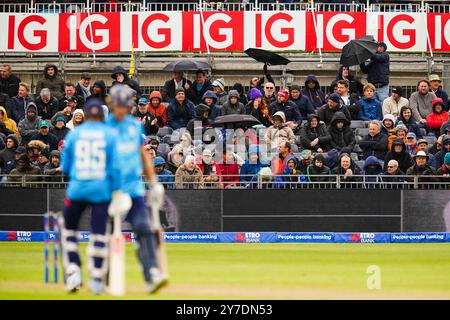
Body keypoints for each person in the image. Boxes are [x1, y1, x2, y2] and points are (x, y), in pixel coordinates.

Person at [106, 84, 168, 293]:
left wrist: (154, 183)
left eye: (126, 105)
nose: (124, 109)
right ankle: (103, 276)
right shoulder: (104, 129)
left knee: (143, 227)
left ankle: (151, 274)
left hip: (133, 188)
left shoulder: (133, 126)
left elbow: (142, 155)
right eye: (120, 105)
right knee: (104, 233)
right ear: (113, 105)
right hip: (109, 190)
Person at [59, 98, 122, 294]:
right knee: (99, 234)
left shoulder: (74, 135)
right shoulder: (110, 135)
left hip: (77, 189)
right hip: (101, 190)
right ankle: (96, 278)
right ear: (103, 116)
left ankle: (73, 271)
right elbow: (115, 169)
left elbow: (66, 168)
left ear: (86, 115)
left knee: (68, 230)